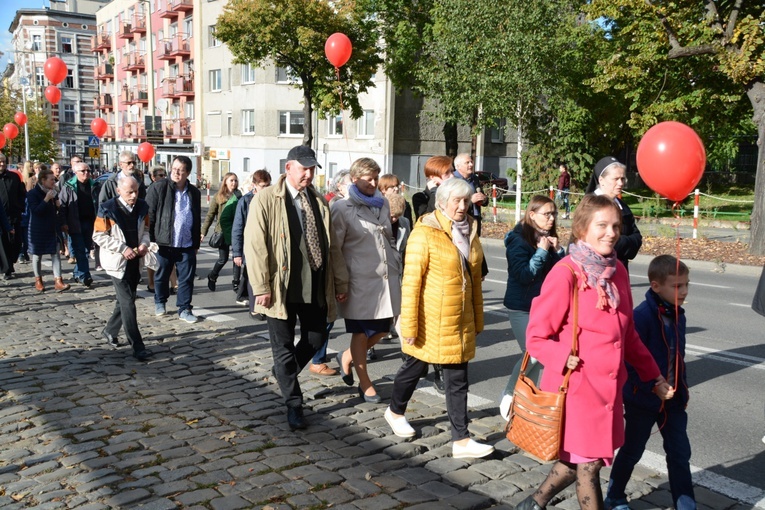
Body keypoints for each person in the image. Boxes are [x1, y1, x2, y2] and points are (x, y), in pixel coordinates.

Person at [518, 194, 671, 510]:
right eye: (602, 225)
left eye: (616, 225)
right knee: (588, 466)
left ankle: (533, 503)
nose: (611, 232)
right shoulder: (566, 273)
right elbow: (536, 337)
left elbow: (627, 336)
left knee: (584, 460)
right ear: (582, 229)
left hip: (609, 391)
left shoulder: (619, 273)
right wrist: (563, 357)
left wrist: (653, 376)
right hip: (577, 388)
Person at [384, 178, 494, 459]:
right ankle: (395, 410)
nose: (462, 206)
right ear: (442, 202)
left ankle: (461, 439)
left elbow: (475, 281)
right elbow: (411, 284)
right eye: (456, 201)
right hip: (430, 319)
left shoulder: (470, 229)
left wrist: (477, 319)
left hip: (459, 320)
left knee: (458, 379)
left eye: (466, 201)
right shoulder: (425, 233)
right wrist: (408, 325)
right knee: (415, 368)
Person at [243, 145, 348, 431]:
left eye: (313, 169)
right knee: (283, 347)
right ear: (288, 168)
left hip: (314, 283)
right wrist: (262, 286)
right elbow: (254, 246)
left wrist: (340, 281)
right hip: (279, 287)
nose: (309, 174)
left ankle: (283, 373)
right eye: (304, 168)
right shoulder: (265, 200)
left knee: (315, 338)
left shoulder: (318, 200)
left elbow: (333, 247)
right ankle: (294, 404)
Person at [605, 255, 694, 510]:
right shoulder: (641, 317)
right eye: (677, 286)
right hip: (642, 400)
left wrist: (681, 388)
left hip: (673, 401)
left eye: (687, 284)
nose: (684, 291)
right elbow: (628, 362)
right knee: (632, 451)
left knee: (679, 455)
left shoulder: (679, 314)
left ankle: (686, 505)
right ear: (656, 286)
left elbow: (678, 356)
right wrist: (651, 386)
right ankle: (614, 496)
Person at [333, 158, 402, 403]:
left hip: (385, 276)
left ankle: (348, 356)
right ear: (354, 180)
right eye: (368, 179)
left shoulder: (382, 203)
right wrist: (340, 282)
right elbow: (335, 249)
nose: (374, 183)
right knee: (361, 331)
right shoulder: (342, 208)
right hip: (358, 280)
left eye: (376, 178)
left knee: (384, 328)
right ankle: (365, 383)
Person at [498, 195, 565, 420]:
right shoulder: (518, 240)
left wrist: (558, 251)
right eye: (546, 214)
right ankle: (509, 395)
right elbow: (524, 275)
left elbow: (560, 275)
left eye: (554, 213)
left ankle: (526, 399)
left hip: (543, 307)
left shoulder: (547, 238)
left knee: (537, 357)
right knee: (534, 353)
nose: (551, 218)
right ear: (532, 215)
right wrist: (542, 251)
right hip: (521, 307)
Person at [92, 177, 154, 361]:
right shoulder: (107, 208)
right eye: (129, 192)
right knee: (128, 302)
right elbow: (98, 236)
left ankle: (110, 330)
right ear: (119, 191)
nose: (134, 195)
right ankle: (138, 346)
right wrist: (122, 248)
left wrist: (144, 244)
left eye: (136, 191)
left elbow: (146, 231)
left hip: (136, 260)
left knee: (125, 299)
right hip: (117, 262)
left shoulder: (142, 207)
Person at [410, 155, 454, 393]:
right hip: (431, 265)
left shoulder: (457, 196)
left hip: (453, 265)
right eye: (447, 174)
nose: (451, 177)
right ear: (434, 178)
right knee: (432, 322)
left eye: (451, 173)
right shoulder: (420, 197)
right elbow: (424, 219)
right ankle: (429, 368)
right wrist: (434, 194)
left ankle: (442, 370)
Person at [146, 155, 202, 323]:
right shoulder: (159, 188)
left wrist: (196, 243)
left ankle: (184, 308)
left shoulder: (194, 192)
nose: (177, 172)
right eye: (175, 168)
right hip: (164, 241)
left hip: (186, 242)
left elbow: (197, 217)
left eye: (181, 170)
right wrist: (150, 239)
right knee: (162, 274)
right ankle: (160, 301)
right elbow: (150, 215)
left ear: (188, 173)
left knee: (186, 278)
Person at [586, 157, 641, 271]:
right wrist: (620, 242)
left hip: (620, 269)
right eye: (615, 179)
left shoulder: (623, 206)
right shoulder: (589, 205)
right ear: (601, 180)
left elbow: (637, 238)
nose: (620, 183)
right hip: (595, 270)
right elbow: (589, 240)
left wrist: (617, 243)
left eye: (622, 178)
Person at [231, 169, 271, 309]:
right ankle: (254, 308)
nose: (266, 189)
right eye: (263, 186)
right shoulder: (245, 201)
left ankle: (255, 302)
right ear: (254, 184)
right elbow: (237, 228)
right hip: (249, 246)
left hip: (266, 245)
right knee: (251, 274)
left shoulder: (271, 200)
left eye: (268, 186)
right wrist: (237, 253)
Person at [27, 166, 70, 293]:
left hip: (52, 227)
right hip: (38, 228)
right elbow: (36, 211)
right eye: (51, 180)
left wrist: (58, 205)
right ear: (43, 180)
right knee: (37, 255)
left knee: (55, 253)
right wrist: (46, 200)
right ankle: (38, 280)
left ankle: (58, 280)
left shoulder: (54, 192)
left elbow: (58, 210)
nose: (54, 182)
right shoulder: (32, 194)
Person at [202, 172, 241, 292]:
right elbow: (210, 215)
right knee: (222, 259)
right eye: (231, 180)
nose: (233, 183)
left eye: (235, 180)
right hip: (223, 231)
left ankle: (236, 283)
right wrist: (203, 232)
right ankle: (213, 276)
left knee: (237, 258)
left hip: (237, 231)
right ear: (225, 182)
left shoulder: (239, 196)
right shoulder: (219, 197)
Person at [60, 162, 97, 287]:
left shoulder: (95, 185)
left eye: (88, 170)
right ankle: (85, 276)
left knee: (86, 250)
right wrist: (64, 223)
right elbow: (63, 206)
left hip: (90, 222)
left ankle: (77, 273)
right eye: (83, 171)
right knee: (80, 250)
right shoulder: (69, 186)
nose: (86, 173)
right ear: (76, 172)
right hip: (75, 223)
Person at [0, 154, 26, 279]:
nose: (2, 164)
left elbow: (22, 194)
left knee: (16, 243)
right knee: (4, 243)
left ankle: (11, 262)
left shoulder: (14, 177)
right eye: (0, 162)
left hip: (15, 215)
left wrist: (20, 207)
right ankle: (7, 269)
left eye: (4, 162)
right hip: (1, 218)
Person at [453, 153, 488, 236]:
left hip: (475, 219)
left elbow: (482, 196)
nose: (471, 164)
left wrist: (484, 199)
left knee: (475, 247)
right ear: (458, 166)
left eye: (471, 162)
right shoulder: (453, 180)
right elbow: (451, 202)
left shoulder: (474, 178)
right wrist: (470, 201)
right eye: (467, 163)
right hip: (461, 220)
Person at [145, 165, 167, 292]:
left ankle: (173, 284)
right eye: (160, 175)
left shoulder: (168, 188)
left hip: (165, 229)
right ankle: (152, 283)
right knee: (152, 258)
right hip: (154, 228)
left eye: (164, 175)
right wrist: (149, 231)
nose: (164, 178)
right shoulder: (153, 189)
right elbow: (150, 212)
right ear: (153, 178)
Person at [411, 155, 453, 220]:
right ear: (433, 177)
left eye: (452, 171)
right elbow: (426, 218)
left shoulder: (455, 194)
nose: (452, 176)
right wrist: (434, 192)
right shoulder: (420, 197)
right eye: (446, 173)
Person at [18, 165, 37, 264]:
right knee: (20, 237)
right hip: (20, 213)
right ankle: (21, 253)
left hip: (27, 212)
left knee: (26, 237)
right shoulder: (24, 179)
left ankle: (24, 252)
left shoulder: (32, 179)